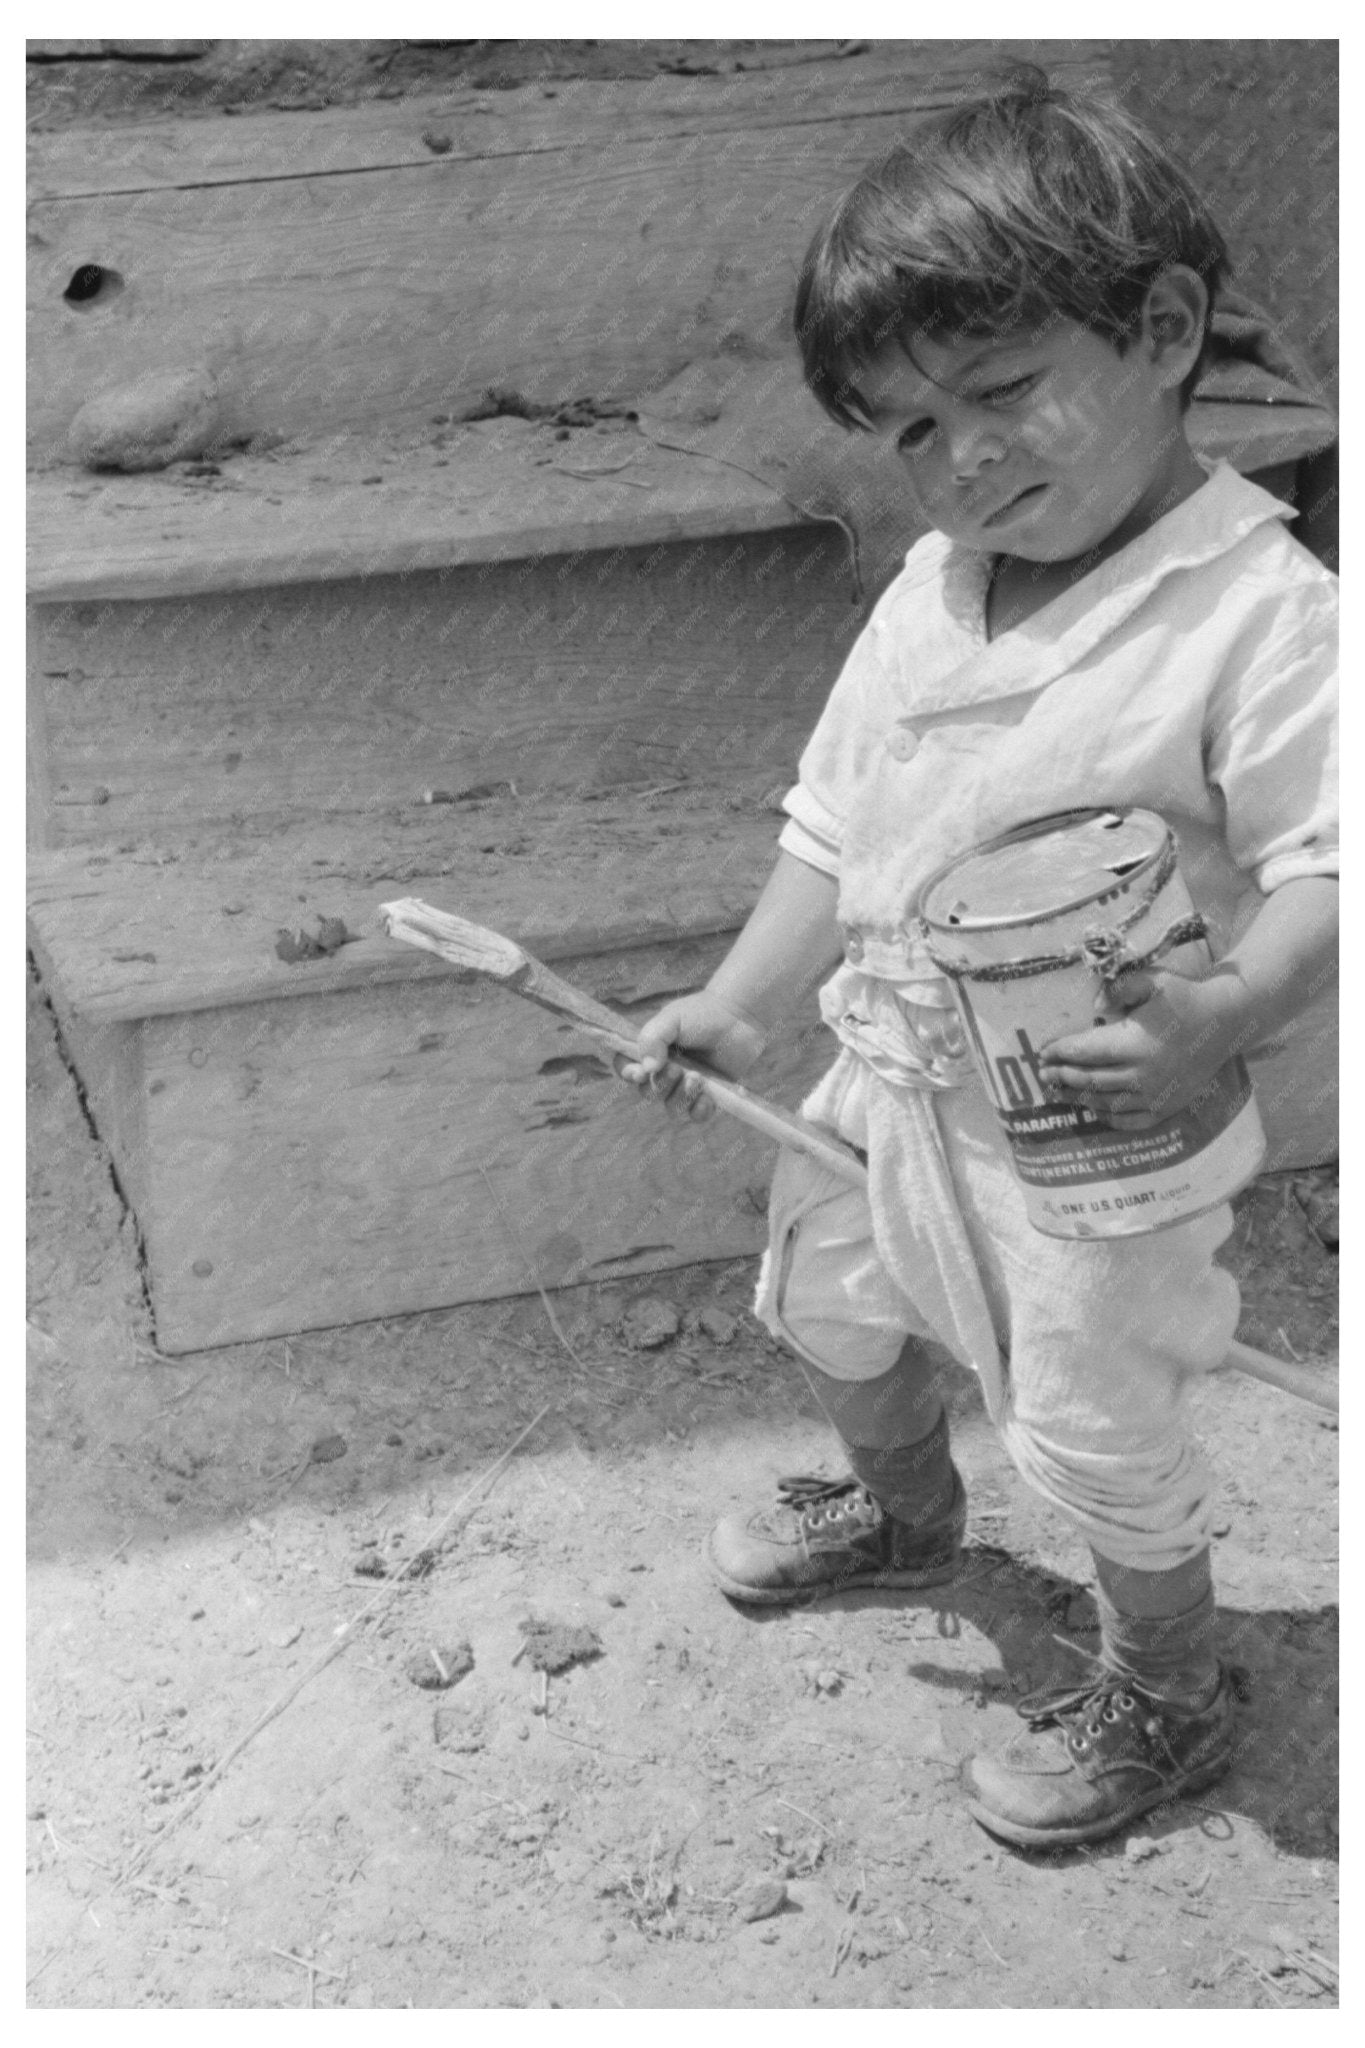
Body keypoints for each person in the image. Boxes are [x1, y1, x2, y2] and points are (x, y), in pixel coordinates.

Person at [617, 76, 1338, 1850]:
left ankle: (1166, 1682)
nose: (963, 460)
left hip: (1096, 1127)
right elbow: (830, 822)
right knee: (835, 1304)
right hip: (892, 1068)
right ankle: (906, 1514)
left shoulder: (1260, 616)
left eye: (1003, 391)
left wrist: (1233, 1009)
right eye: (910, 428)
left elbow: (1335, 858)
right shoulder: (933, 588)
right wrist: (741, 1002)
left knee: (1096, 1414)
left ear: (1160, 332)